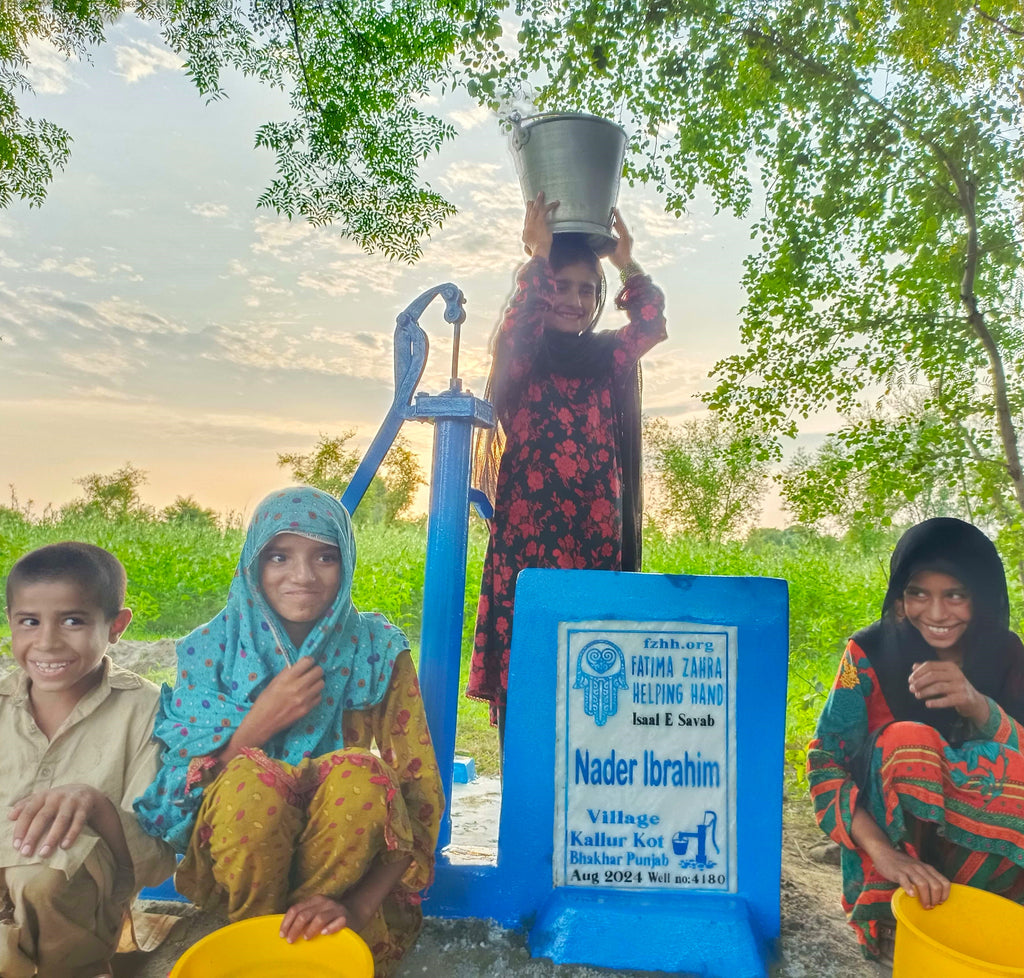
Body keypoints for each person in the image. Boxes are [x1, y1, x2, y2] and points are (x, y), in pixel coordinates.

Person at [135, 487, 444, 977]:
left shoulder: (376, 650)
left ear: (346, 564)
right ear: (254, 563)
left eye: (325, 556)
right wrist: (257, 725)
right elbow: (171, 802)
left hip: (347, 879)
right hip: (240, 876)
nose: (302, 576)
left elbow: (419, 788)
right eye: (280, 555)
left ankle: (311, 939)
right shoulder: (208, 649)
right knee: (251, 784)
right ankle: (258, 941)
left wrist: (360, 906)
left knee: (360, 775)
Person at [468, 192, 667, 740]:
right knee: (529, 688)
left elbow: (649, 323)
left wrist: (625, 260)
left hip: (593, 548)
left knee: (589, 692)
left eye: (587, 289)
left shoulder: (607, 358)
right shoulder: (523, 359)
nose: (574, 300)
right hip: (528, 550)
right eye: (561, 286)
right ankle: (525, 811)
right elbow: (518, 325)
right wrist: (538, 255)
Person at [807, 517, 1024, 961]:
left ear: (979, 598)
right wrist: (886, 854)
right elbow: (826, 761)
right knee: (908, 742)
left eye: (955, 595)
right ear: (900, 598)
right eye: (918, 593)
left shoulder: (1007, 655)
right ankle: (892, 919)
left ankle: (985, 913)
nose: (937, 613)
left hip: (991, 879)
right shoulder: (866, 654)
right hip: (893, 864)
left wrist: (975, 703)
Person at [1, 542, 176, 978]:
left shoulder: (151, 713)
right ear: (10, 624)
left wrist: (94, 803)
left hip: (80, 906)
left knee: (44, 871)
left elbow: (156, 859)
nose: (47, 642)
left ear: (117, 625)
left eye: (73, 621)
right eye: (29, 622)